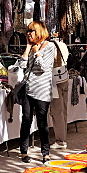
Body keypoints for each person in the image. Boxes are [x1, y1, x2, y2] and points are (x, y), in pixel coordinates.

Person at [16, 21, 56, 163]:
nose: (28, 33)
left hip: (42, 90)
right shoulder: (30, 47)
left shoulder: (50, 46)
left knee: (42, 122)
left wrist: (37, 53)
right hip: (28, 88)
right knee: (26, 120)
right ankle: (24, 151)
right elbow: (21, 66)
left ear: (39, 31)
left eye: (31, 31)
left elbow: (45, 68)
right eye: (27, 31)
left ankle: (45, 153)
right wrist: (27, 49)